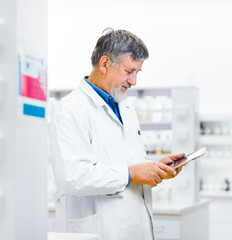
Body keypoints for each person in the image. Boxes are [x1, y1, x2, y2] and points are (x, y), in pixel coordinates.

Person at [48, 28, 185, 239]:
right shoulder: (70, 109)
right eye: (129, 71)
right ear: (104, 64)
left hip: (134, 226)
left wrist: (154, 166)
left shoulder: (125, 108)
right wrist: (132, 173)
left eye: (137, 73)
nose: (133, 81)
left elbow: (125, 161)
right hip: (99, 229)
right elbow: (73, 176)